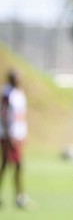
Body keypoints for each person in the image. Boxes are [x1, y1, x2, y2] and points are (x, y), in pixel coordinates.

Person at [0, 69, 28, 208]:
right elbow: (4, 115)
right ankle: (19, 197)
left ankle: (19, 196)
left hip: (18, 135)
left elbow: (20, 115)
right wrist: (9, 135)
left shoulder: (19, 93)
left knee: (8, 164)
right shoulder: (7, 94)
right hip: (9, 135)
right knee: (15, 164)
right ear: (11, 79)